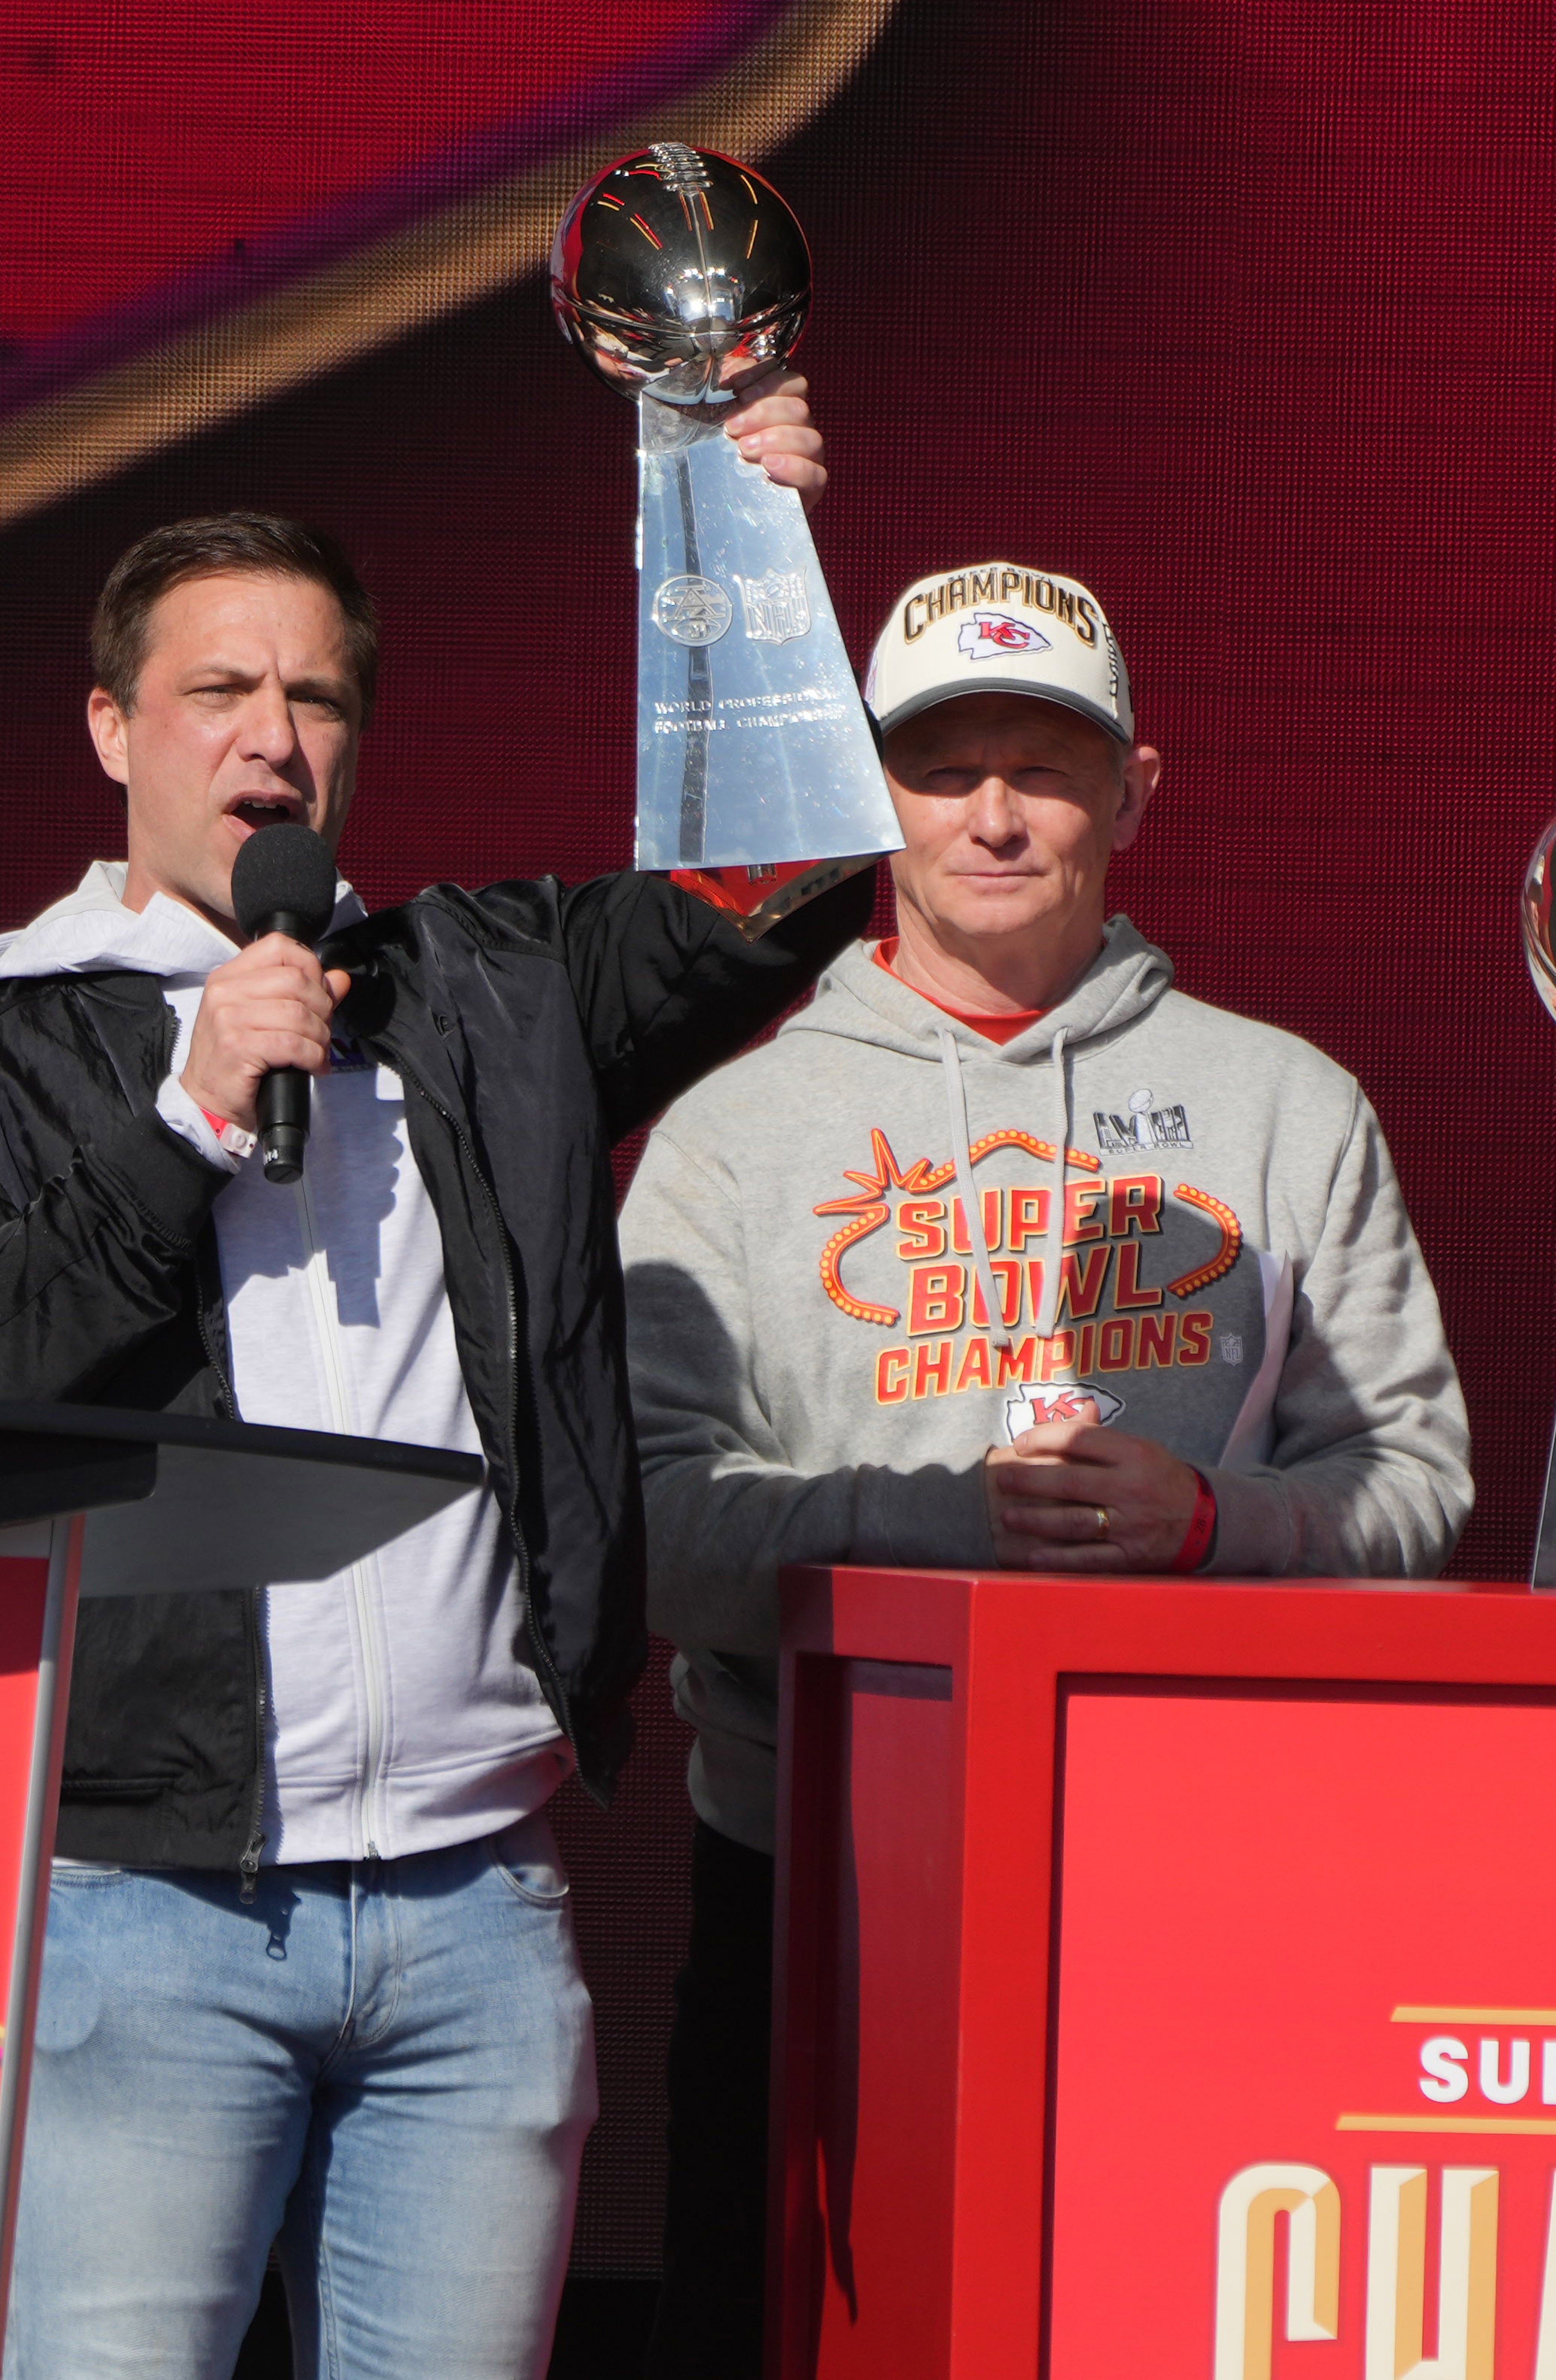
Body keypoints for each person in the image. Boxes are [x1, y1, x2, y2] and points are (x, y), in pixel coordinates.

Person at [0, 428, 860, 2372]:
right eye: (216, 691)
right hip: (138, 1910)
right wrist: (182, 1121)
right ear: (106, 728)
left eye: (313, 695)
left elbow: (786, 879)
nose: (269, 739)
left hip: (472, 1907)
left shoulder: (483, 985)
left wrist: (737, 537)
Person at [618, 559, 1474, 2373]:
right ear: (871, 800)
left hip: (1200, 1889)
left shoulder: (1279, 1103)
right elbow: (657, 1539)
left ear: (1132, 790)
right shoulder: (727, 1132)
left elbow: (1416, 1483)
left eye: (1044, 765)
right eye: (940, 769)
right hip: (815, 1904)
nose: (993, 816)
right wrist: (952, 1531)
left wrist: (1207, 1523)